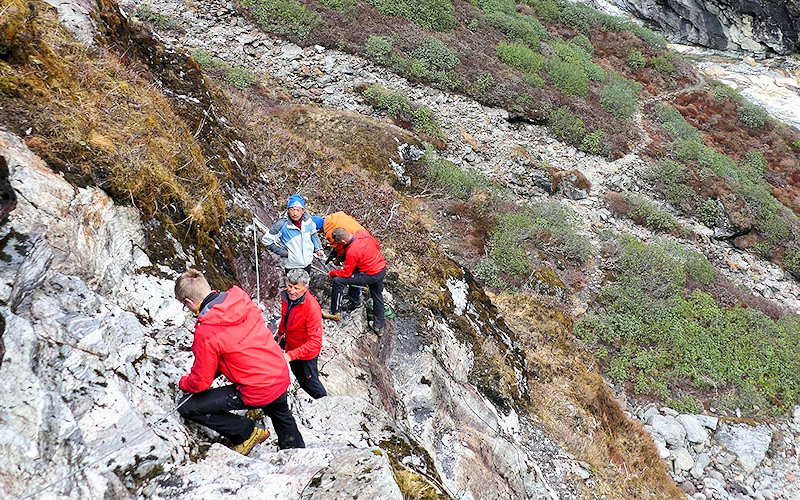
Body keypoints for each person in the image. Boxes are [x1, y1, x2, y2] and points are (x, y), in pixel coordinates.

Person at [174, 269, 305, 455]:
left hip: (257, 388)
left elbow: (201, 383)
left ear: (189, 302)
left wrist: (183, 382)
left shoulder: (207, 331)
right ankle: (298, 456)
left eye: (185, 306)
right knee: (282, 416)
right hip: (278, 373)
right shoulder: (239, 299)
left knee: (186, 407)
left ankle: (247, 432)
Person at [324, 228, 388, 337]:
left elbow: (346, 273)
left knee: (338, 281)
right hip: (381, 268)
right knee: (377, 295)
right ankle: (379, 327)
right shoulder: (362, 233)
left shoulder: (352, 251)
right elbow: (377, 246)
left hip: (370, 274)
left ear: (343, 242)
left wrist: (332, 273)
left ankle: (335, 313)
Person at [277, 269, 327, 399]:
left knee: (309, 383)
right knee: (298, 374)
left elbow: (315, 342)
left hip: (305, 355)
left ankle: (324, 401)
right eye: (289, 286)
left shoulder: (312, 309)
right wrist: (280, 332)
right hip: (291, 342)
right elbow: (285, 315)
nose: (292, 291)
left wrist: (290, 355)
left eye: (296, 288)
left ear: (306, 288)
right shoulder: (287, 297)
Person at [262, 194, 324, 274]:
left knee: (304, 286)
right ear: (288, 210)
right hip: (292, 265)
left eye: (298, 210)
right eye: (292, 209)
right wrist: (284, 253)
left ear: (303, 210)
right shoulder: (281, 224)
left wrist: (318, 248)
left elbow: (313, 234)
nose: (295, 213)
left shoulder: (308, 221)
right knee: (293, 286)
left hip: (307, 263)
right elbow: (266, 241)